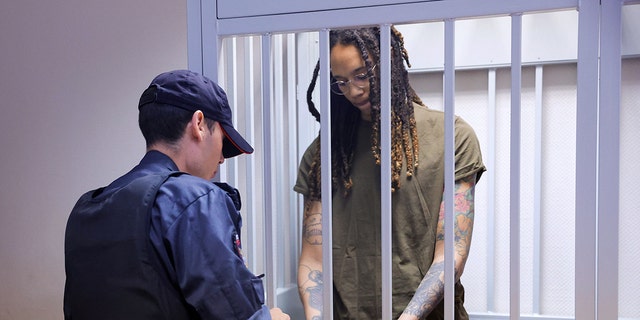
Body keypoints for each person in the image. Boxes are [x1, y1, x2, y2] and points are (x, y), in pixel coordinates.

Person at [64, 69, 290, 320]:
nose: (222, 158)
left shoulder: (88, 208)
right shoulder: (194, 200)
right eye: (223, 142)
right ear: (199, 124)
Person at [295, 27, 486, 319]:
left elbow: (451, 255)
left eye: (362, 74)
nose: (354, 90)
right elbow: (313, 260)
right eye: (341, 81)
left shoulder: (453, 137)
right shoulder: (324, 153)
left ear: (391, 60)